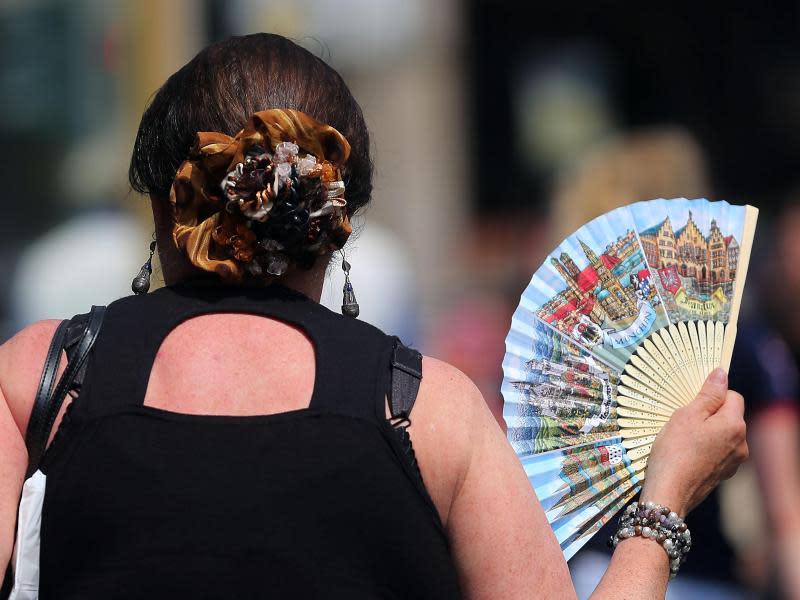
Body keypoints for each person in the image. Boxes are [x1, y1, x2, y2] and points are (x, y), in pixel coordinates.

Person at [0, 33, 747, 599]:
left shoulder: (42, 378)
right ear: (337, 218)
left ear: (167, 206)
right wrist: (664, 501)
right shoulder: (428, 411)